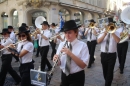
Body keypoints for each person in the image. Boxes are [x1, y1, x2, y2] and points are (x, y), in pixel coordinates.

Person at [53, 20, 90, 86]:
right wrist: (56, 59)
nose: (67, 35)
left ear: (76, 32)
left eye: (69, 32)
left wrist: (70, 54)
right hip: (64, 75)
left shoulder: (83, 45)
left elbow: (83, 65)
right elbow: (59, 63)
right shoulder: (62, 44)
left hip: (77, 77)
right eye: (65, 33)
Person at [97, 18, 120, 86]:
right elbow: (98, 41)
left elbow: (118, 41)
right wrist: (105, 34)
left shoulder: (116, 32)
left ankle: (108, 83)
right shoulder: (102, 32)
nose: (109, 26)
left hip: (112, 55)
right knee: (105, 71)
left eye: (111, 24)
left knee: (110, 72)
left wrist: (112, 33)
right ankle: (107, 81)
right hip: (103, 54)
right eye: (108, 25)